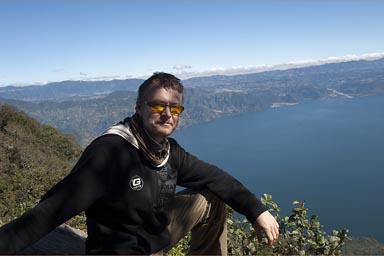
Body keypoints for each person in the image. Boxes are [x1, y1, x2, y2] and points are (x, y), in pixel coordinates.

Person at [0, 72, 279, 255]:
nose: (167, 113)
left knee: (212, 197)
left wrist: (256, 210)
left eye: (175, 108)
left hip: (156, 235)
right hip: (121, 251)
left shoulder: (169, 151)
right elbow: (49, 212)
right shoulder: (110, 153)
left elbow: (215, 177)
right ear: (139, 107)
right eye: (157, 105)